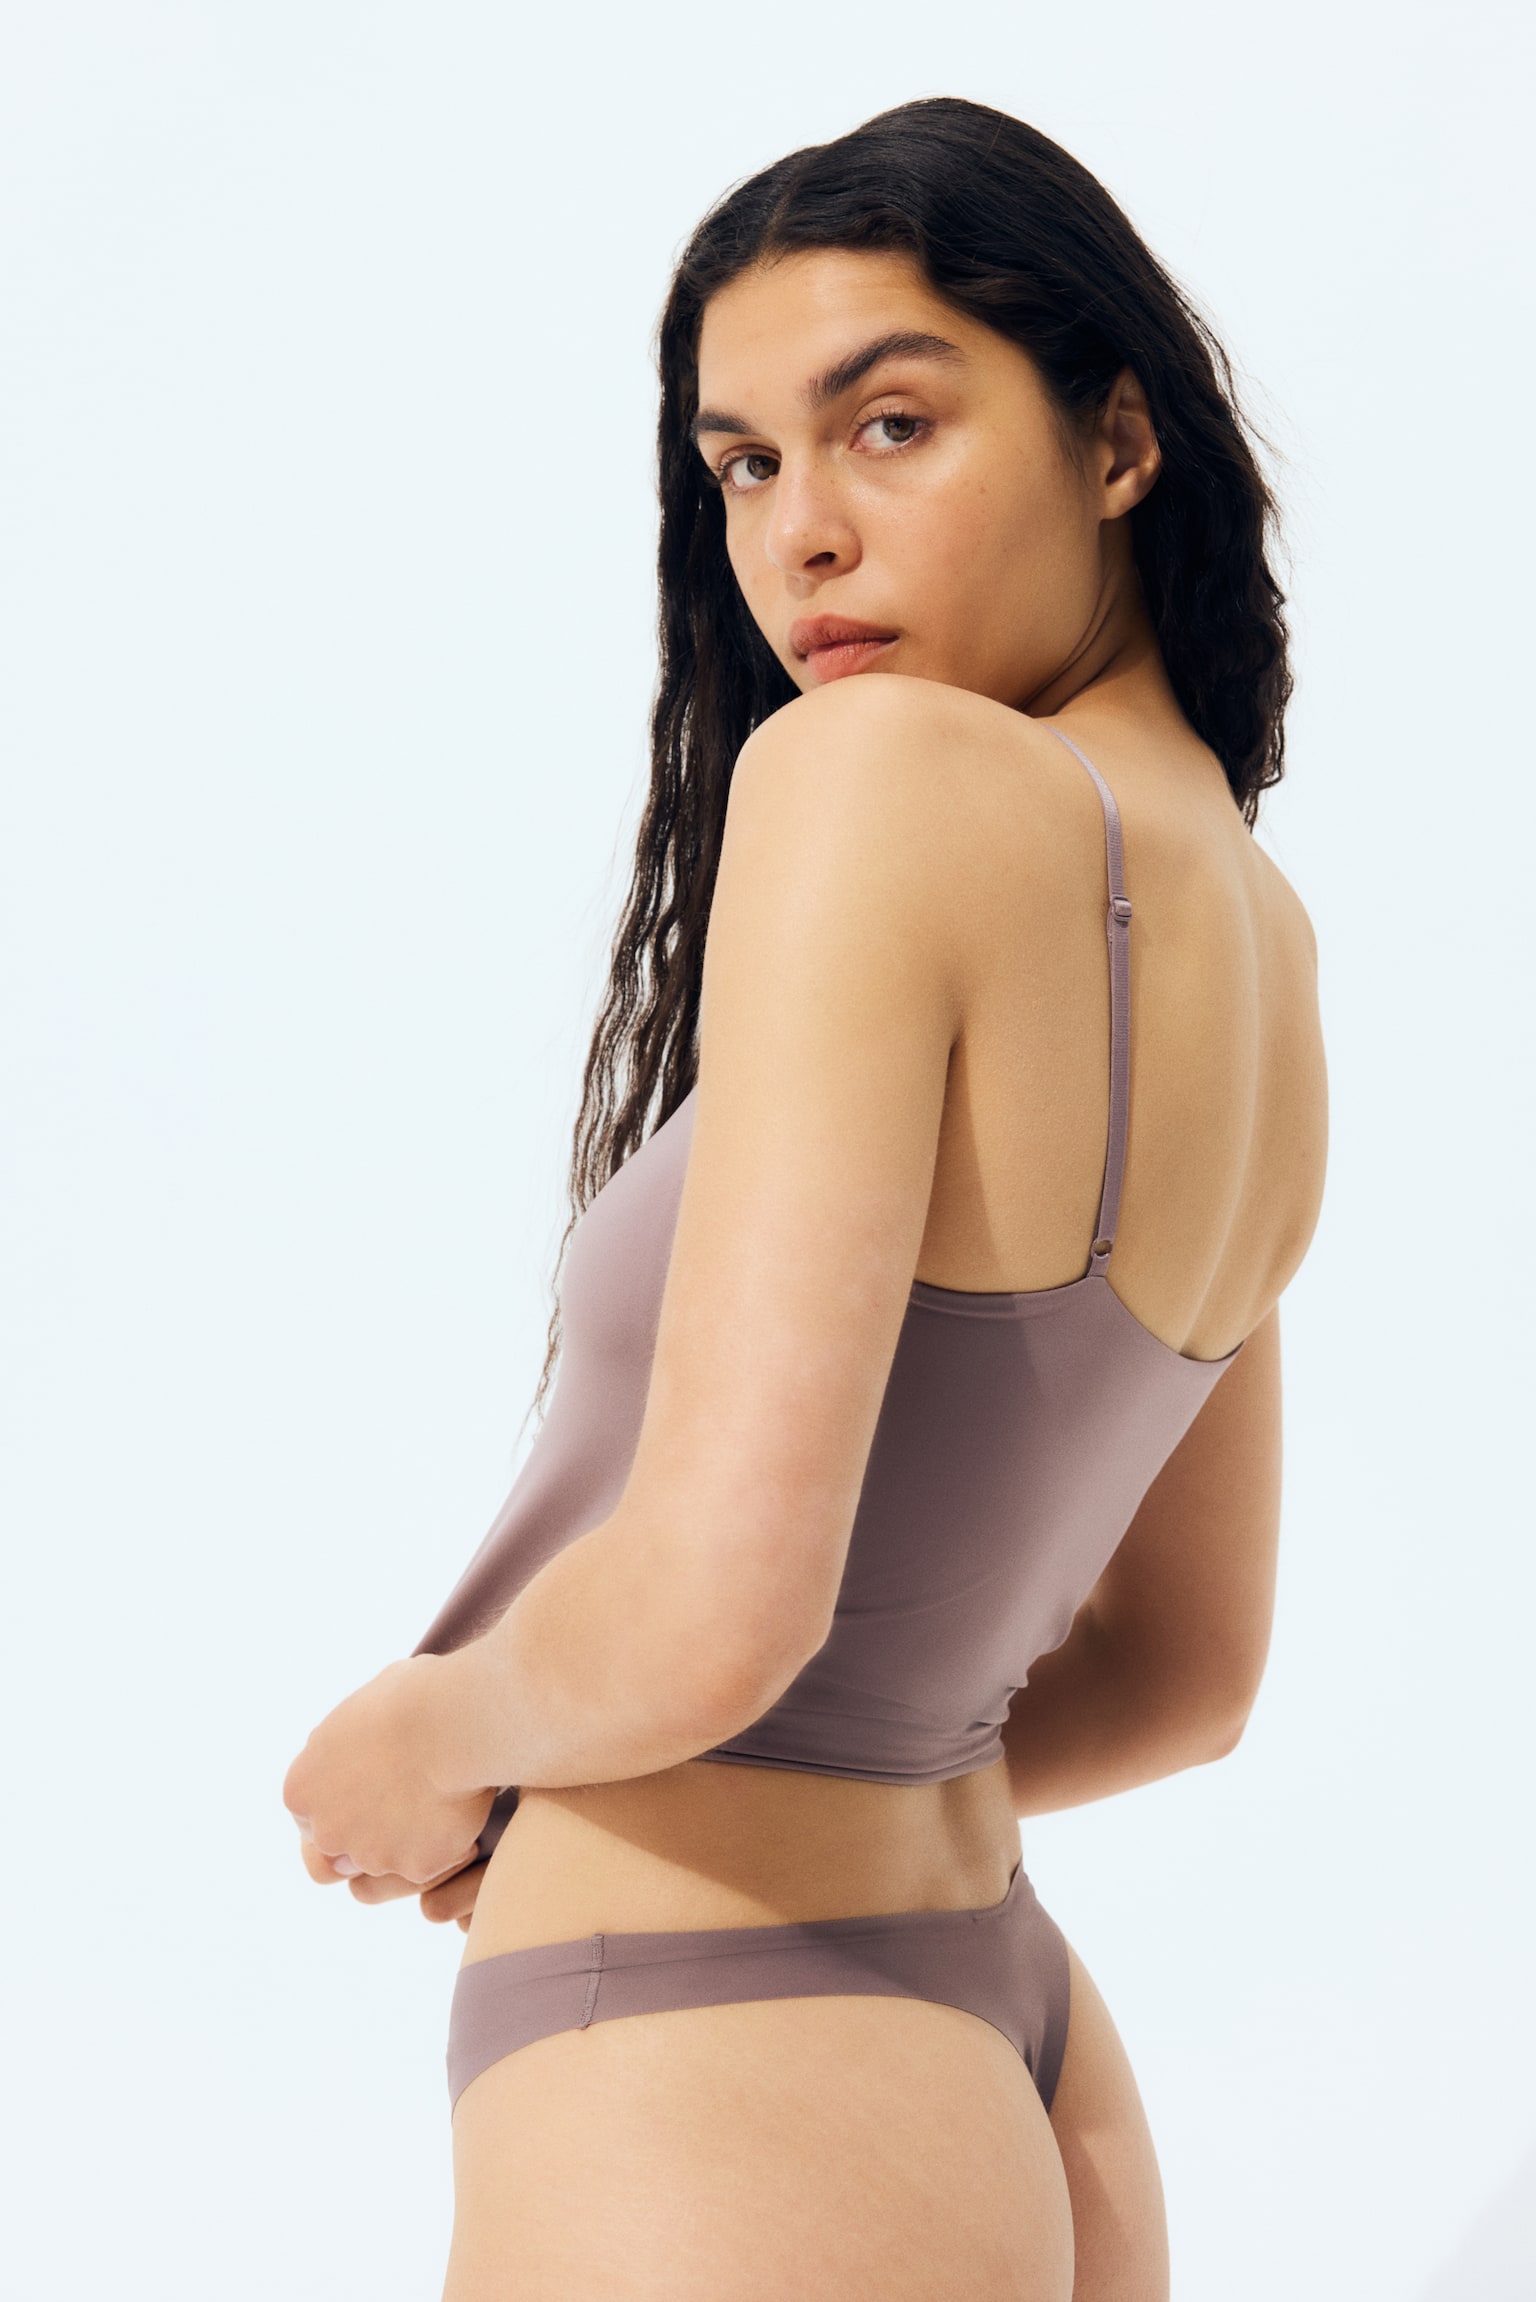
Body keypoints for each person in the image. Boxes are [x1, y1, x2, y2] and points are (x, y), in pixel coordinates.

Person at [283, 95, 1327, 2302]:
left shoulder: (878, 776)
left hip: (718, 2034)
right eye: (746, 465)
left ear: (1117, 437)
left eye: (891, 427)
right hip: (1002, 2040)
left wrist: (434, 1737)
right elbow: (1189, 1674)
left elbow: (717, 1608)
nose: (802, 537)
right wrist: (845, 1764)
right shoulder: (1258, 932)